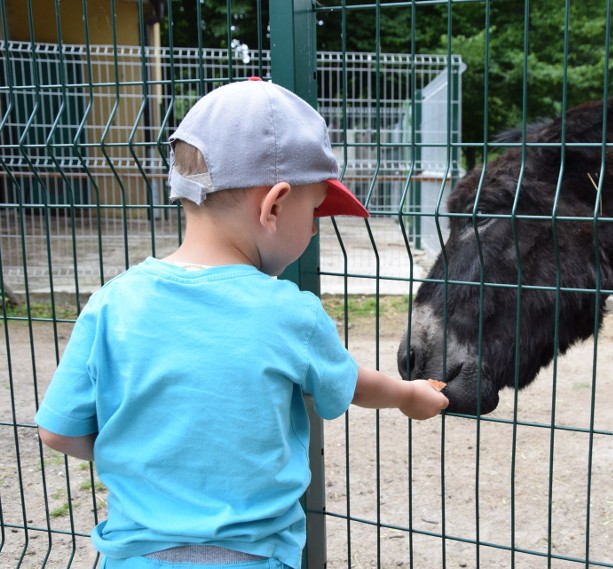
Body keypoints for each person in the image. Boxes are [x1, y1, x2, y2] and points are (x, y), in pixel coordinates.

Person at [34, 78, 449, 569]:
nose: (315, 228)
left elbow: (57, 433)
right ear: (273, 206)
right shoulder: (289, 312)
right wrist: (410, 395)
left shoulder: (111, 303)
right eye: (314, 210)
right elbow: (353, 384)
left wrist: (146, 460)